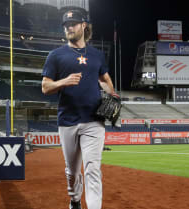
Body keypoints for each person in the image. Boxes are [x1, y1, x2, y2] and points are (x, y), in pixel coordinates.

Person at [41, 10, 117, 209]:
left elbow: (106, 82)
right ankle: (75, 200)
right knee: (72, 172)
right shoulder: (55, 56)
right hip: (67, 120)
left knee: (93, 169)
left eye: (73, 23)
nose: (69, 27)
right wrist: (64, 82)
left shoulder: (97, 55)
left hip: (94, 121)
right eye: (66, 24)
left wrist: (112, 96)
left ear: (84, 25)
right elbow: (45, 87)